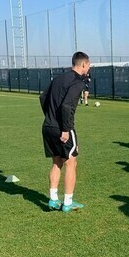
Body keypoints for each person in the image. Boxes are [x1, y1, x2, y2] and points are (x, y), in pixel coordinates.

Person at [39, 51, 90, 213]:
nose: (89, 68)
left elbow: (42, 97)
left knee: (56, 162)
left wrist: (50, 117)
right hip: (62, 129)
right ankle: (68, 202)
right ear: (83, 64)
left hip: (48, 126)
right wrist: (65, 130)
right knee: (71, 163)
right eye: (88, 65)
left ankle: (53, 199)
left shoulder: (58, 78)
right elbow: (67, 106)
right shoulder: (78, 82)